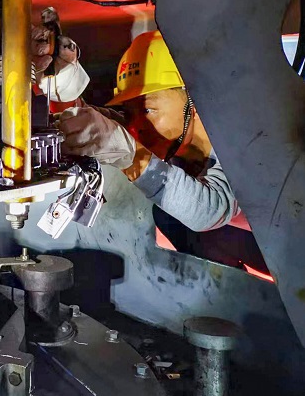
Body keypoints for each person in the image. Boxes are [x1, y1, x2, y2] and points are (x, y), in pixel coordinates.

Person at [33, 29, 268, 273]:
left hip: (288, 246)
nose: (137, 126)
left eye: (147, 110)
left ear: (196, 100)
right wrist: (64, 90)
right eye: (131, 111)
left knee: (176, 210)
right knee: (168, 216)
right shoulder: (166, 133)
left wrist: (130, 156)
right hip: (257, 238)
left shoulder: (247, 137)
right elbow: (104, 126)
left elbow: (207, 210)